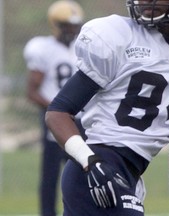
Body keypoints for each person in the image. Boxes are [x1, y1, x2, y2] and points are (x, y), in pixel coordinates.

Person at [45, 0, 169, 215]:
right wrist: (89, 161)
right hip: (97, 167)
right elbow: (57, 113)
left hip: (131, 172)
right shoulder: (119, 36)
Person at [23, 1, 86, 215]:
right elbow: (32, 91)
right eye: (66, 25)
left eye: (74, 25)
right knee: (50, 176)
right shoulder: (42, 48)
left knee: (83, 170)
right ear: (55, 25)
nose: (71, 30)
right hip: (54, 119)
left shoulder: (84, 45)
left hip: (81, 119)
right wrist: (58, 109)